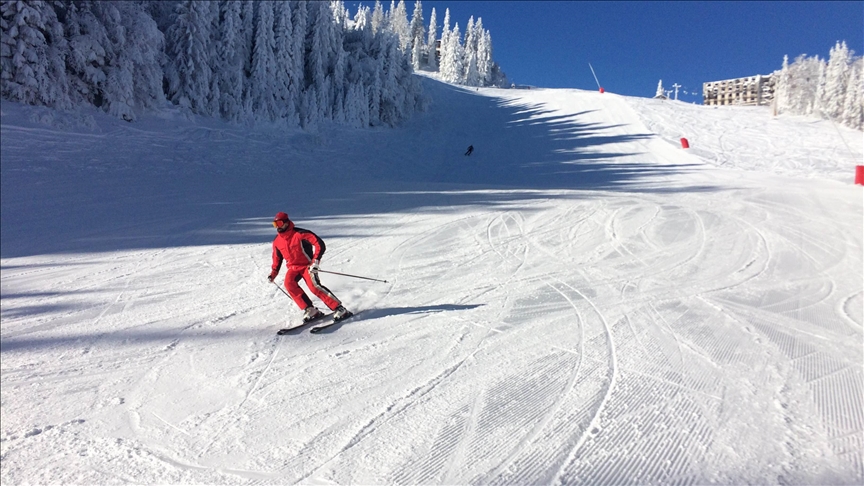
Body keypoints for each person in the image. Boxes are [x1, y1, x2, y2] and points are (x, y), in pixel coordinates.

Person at [267, 212, 352, 323]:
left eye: (279, 223)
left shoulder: (300, 234)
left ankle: (339, 309)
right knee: (289, 284)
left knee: (314, 287)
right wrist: (273, 274)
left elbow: (319, 244)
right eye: (275, 224)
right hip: (293, 268)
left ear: (287, 222)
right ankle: (310, 309)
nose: (277, 226)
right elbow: (277, 259)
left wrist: (315, 262)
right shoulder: (277, 241)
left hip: (307, 266)